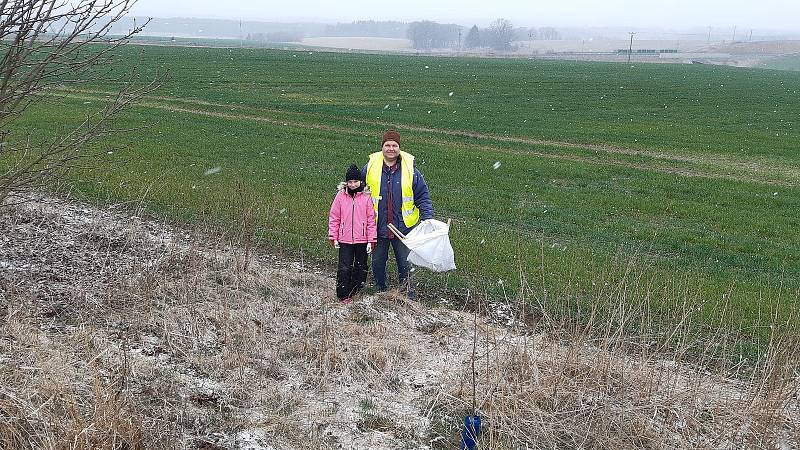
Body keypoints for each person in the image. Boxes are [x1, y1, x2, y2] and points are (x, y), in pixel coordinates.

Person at [362, 129, 433, 299]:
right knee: (378, 262)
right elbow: (357, 191)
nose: (391, 148)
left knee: (406, 264)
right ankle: (381, 291)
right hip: (378, 226)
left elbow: (422, 195)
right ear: (382, 147)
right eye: (387, 145)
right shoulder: (370, 168)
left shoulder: (411, 171)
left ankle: (408, 295)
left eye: (394, 145)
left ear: (399, 148)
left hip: (404, 228)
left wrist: (427, 217)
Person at [328, 164, 377, 304]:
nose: (353, 184)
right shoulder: (340, 196)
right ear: (346, 183)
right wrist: (333, 236)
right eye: (350, 182)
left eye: (355, 181)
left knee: (361, 267)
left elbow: (371, 220)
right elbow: (334, 216)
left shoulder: (366, 197)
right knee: (344, 267)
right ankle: (343, 294)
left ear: (361, 182)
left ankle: (355, 290)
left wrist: (371, 240)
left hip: (362, 240)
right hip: (345, 240)